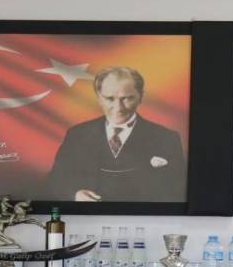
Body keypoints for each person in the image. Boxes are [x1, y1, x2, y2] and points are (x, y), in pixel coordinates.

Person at [45, 66, 186, 203]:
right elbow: (57, 179)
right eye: (110, 99)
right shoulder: (77, 135)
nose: (118, 108)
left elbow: (177, 188)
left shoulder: (167, 138)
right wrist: (75, 194)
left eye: (127, 98)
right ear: (99, 98)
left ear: (141, 97)